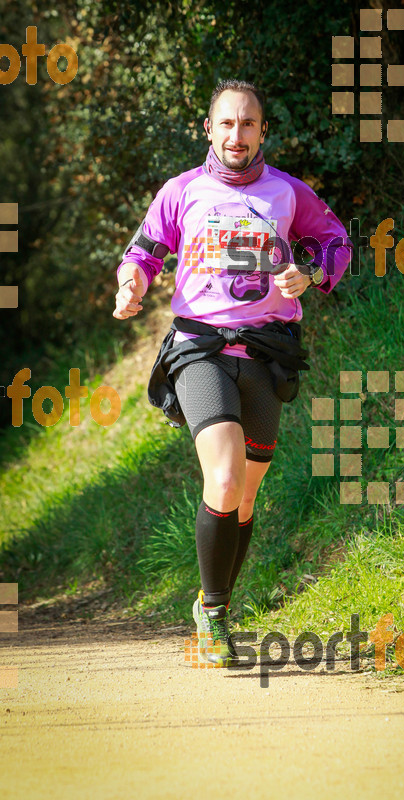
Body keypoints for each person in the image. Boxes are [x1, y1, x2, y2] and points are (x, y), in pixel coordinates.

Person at [113, 79, 353, 666]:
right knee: (222, 479)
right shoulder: (182, 191)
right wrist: (131, 284)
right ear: (209, 130)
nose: (237, 134)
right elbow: (143, 251)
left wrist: (312, 275)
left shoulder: (289, 193)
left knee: (244, 498)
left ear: (262, 131)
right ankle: (214, 618)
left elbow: (336, 242)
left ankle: (212, 602)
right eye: (226, 123)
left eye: (248, 124)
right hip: (199, 347)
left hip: (267, 353)